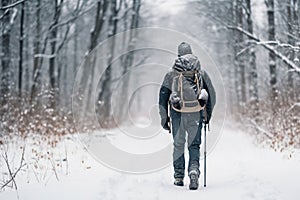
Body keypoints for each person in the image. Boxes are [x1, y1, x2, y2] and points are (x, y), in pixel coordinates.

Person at [159, 42, 216, 190]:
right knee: (194, 145)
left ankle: (178, 177)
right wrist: (207, 115)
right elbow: (212, 95)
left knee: (178, 144)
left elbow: (163, 97)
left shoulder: (171, 73)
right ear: (191, 53)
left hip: (177, 113)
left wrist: (165, 119)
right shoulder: (201, 72)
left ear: (178, 55)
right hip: (196, 113)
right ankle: (193, 171)